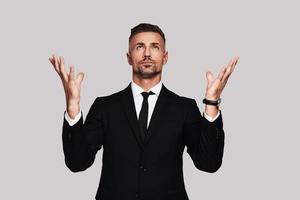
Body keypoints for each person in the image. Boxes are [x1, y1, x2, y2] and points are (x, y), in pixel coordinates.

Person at [49, 23, 238, 200]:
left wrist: (212, 103)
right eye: (139, 47)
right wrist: (72, 107)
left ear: (165, 57)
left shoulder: (184, 108)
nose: (147, 53)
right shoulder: (105, 106)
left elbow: (209, 163)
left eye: (155, 47)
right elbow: (77, 162)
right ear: (128, 57)